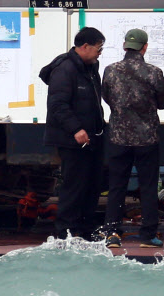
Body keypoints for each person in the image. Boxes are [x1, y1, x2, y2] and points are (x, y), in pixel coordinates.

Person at [100, 28, 164, 248]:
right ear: (144, 47)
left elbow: (106, 97)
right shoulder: (153, 72)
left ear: (125, 47)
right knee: (148, 186)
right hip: (147, 139)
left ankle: (112, 233)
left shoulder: (110, 71)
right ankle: (148, 235)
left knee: (117, 186)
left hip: (118, 138)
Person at [39, 27, 106, 240]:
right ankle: (66, 231)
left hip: (93, 137)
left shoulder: (90, 67)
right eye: (98, 48)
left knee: (92, 184)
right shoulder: (65, 69)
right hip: (72, 139)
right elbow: (58, 104)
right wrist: (76, 129)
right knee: (74, 185)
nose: (100, 53)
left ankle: (85, 229)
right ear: (84, 47)